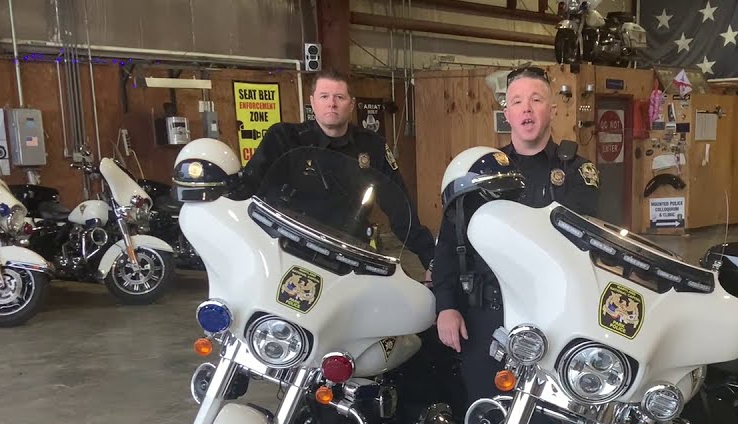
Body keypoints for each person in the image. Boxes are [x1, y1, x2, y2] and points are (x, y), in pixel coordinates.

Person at [431, 65, 601, 405]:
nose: (526, 108)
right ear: (506, 113)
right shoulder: (478, 173)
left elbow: (595, 249)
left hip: (555, 316)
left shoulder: (577, 174)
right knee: (486, 409)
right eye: (517, 101)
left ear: (551, 111)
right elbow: (450, 243)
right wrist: (446, 307)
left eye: (536, 99)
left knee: (553, 412)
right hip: (487, 313)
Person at [235, 68, 436, 269]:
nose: (332, 103)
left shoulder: (371, 146)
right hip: (291, 251)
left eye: (339, 97)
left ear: (351, 105)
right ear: (313, 102)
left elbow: (400, 208)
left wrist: (432, 259)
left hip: (350, 254)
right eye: (324, 96)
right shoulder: (284, 138)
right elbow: (249, 188)